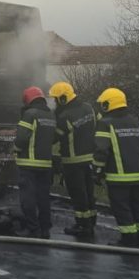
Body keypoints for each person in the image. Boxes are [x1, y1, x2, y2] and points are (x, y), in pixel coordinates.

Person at [93, 87, 139, 248]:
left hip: (118, 178)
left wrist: (97, 171)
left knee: (122, 208)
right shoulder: (135, 121)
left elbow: (101, 150)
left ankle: (128, 240)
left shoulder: (105, 123)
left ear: (108, 105)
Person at [49, 81, 99, 237]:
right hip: (91, 159)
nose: (55, 102)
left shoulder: (64, 117)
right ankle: (91, 221)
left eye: (56, 99)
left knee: (78, 195)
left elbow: (54, 138)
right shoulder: (89, 108)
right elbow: (99, 125)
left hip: (73, 161)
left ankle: (82, 225)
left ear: (63, 99)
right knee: (89, 192)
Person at [14, 86, 56, 239]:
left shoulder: (29, 114)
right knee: (43, 198)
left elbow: (22, 138)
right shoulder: (50, 115)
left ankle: (32, 228)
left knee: (28, 198)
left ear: (27, 99)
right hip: (46, 164)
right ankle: (45, 229)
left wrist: (15, 148)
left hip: (28, 164)